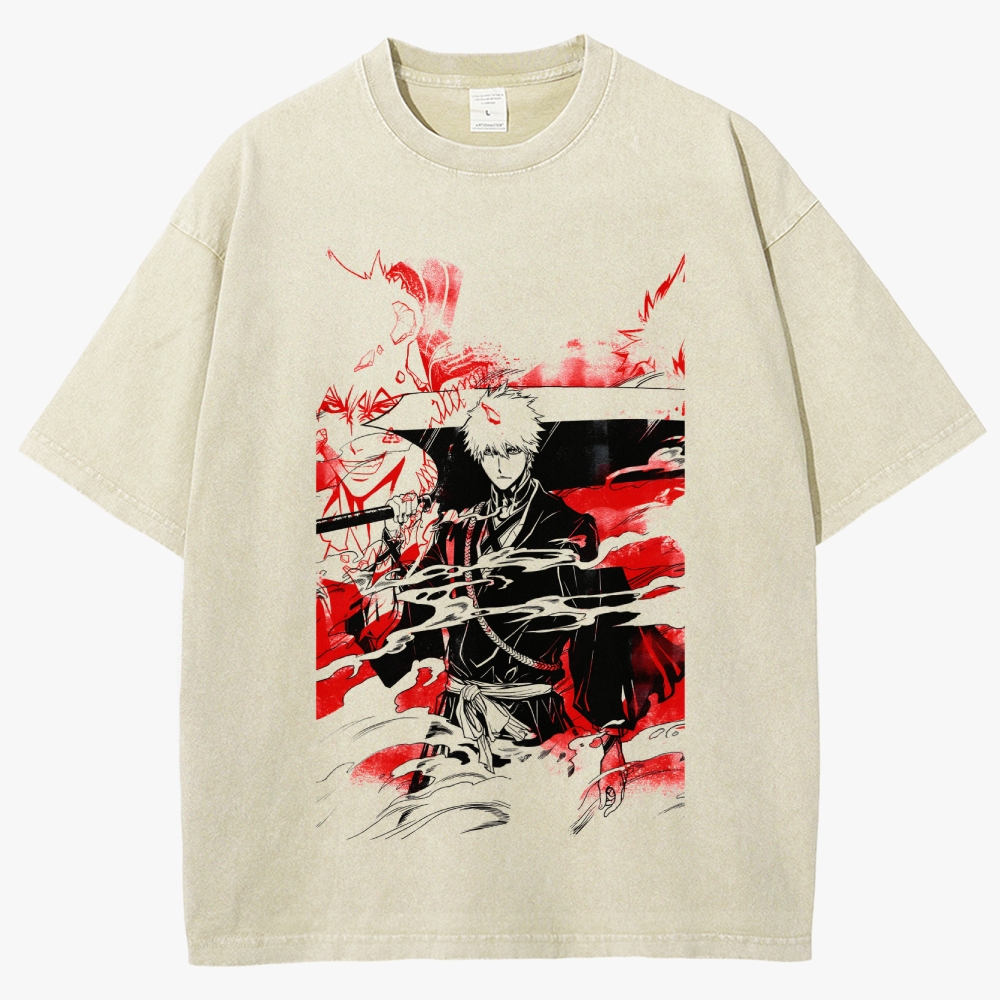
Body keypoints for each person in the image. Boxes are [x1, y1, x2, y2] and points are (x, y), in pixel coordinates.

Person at [376, 386, 640, 816]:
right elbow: (414, 613)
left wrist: (611, 741)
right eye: (490, 453)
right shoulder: (458, 531)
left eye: (511, 451)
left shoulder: (568, 528)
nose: (500, 465)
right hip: (456, 718)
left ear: (530, 451)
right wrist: (395, 541)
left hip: (531, 720)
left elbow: (597, 633)